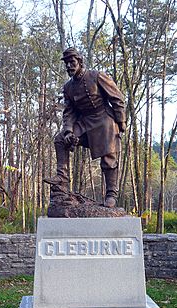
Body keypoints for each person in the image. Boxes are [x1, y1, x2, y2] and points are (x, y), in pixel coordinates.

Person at [44, 47, 126, 208]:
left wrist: (121, 121)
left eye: (72, 62)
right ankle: (62, 178)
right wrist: (68, 131)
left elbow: (117, 98)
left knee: (109, 157)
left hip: (104, 119)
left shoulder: (96, 76)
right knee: (60, 139)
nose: (69, 66)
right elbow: (69, 112)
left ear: (80, 62)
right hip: (84, 122)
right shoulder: (68, 87)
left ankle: (111, 194)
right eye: (66, 64)